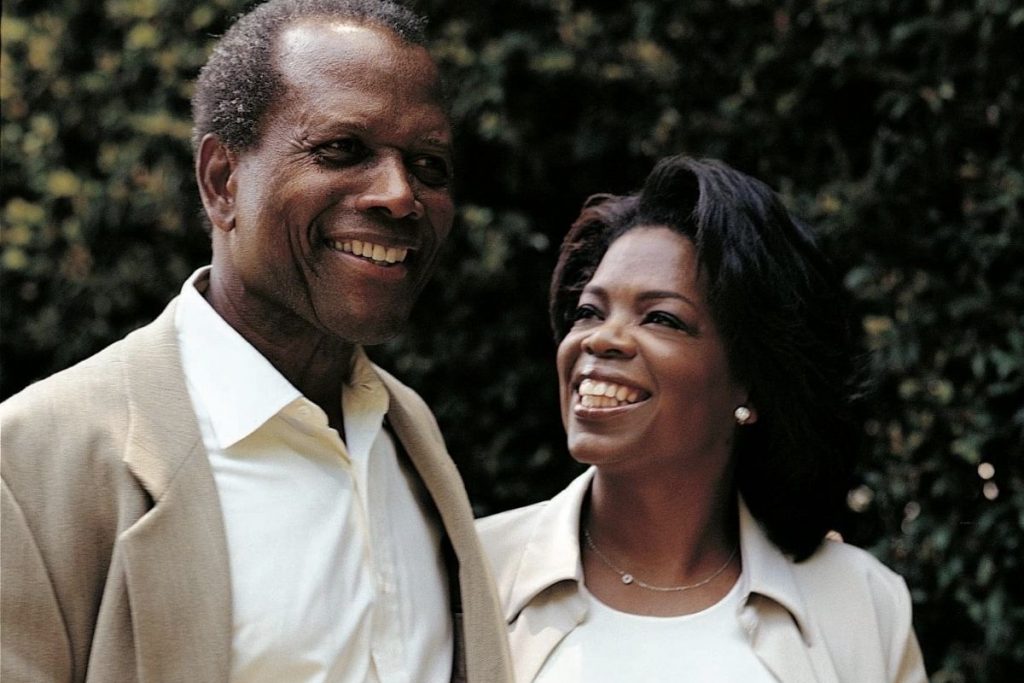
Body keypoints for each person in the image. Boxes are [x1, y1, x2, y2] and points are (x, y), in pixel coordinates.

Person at [0, 1, 512, 681]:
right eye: (342, 149)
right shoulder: (36, 457)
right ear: (222, 182)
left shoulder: (409, 433)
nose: (400, 195)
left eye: (429, 165)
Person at [477, 155, 927, 682]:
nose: (600, 339)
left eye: (661, 318)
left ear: (750, 381)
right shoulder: (469, 574)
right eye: (589, 311)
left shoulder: (861, 605)